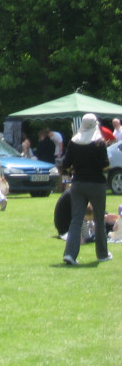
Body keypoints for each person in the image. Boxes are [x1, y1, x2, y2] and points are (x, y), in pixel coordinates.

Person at [62, 113, 111, 265]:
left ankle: (70, 254)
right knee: (99, 219)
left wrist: (74, 169)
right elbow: (105, 165)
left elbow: (65, 163)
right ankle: (102, 254)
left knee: (76, 220)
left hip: (78, 184)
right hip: (96, 183)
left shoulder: (74, 142)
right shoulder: (99, 142)